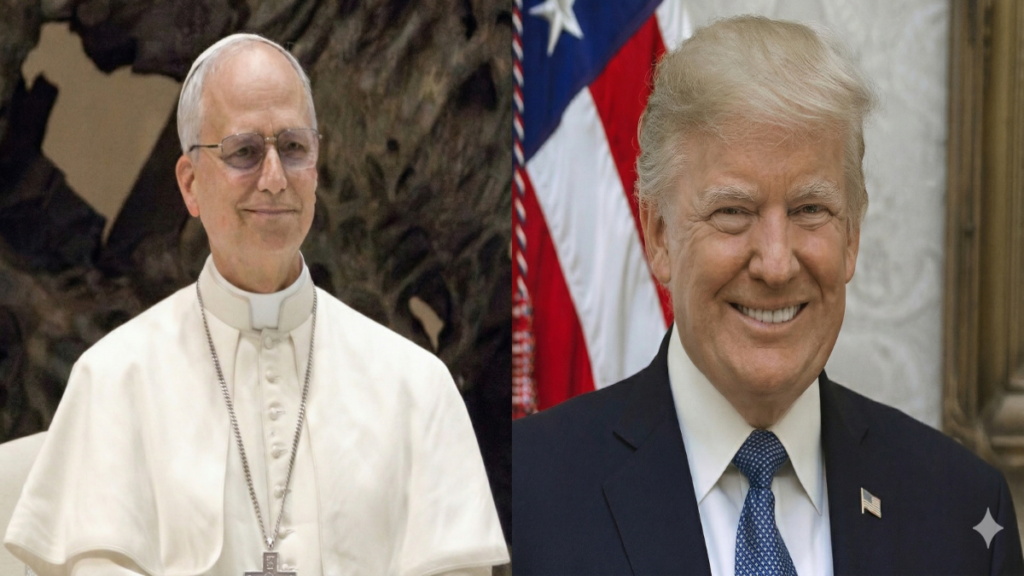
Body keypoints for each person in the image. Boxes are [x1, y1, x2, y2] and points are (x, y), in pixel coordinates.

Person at [512, 16, 1024, 575]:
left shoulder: (963, 511)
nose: (776, 264)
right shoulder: (522, 495)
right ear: (659, 235)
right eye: (733, 212)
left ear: (852, 237)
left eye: (810, 210)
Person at [4, 33, 508, 576]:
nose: (274, 179)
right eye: (244, 152)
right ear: (190, 184)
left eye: (293, 148)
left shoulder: (417, 387)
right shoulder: (114, 380)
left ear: (315, 167)